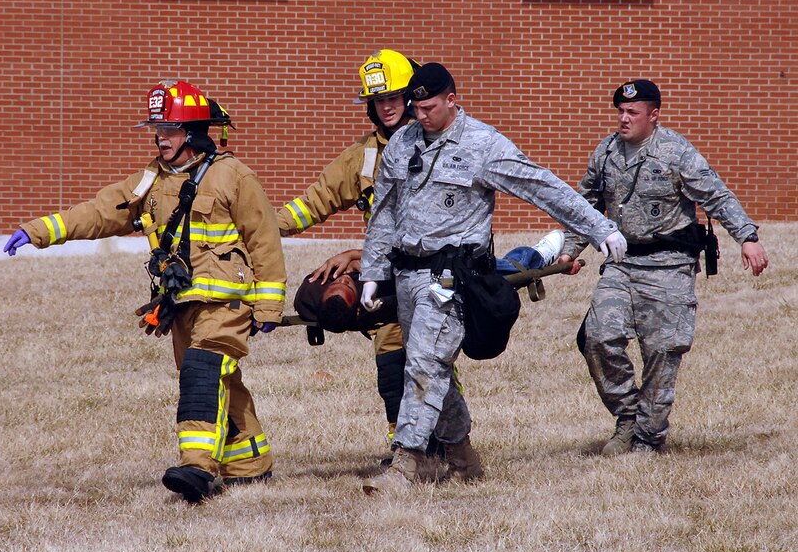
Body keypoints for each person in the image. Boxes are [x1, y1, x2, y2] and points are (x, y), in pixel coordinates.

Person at [3, 80, 286, 503]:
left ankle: (197, 469)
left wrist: (268, 304)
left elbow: (264, 240)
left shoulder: (234, 176)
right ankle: (250, 463)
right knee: (220, 381)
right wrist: (41, 230)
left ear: (191, 134)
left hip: (226, 304)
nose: (159, 136)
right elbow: (100, 212)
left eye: (168, 129)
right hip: (180, 305)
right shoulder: (150, 180)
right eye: (156, 128)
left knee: (202, 374)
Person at [358, 62, 626, 494]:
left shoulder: (483, 144)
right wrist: (372, 273)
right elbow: (384, 213)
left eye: (429, 107)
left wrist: (600, 228)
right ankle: (463, 458)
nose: (420, 115)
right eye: (416, 107)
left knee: (425, 361)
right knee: (427, 363)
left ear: (451, 100)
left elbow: (541, 186)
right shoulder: (402, 143)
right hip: (406, 276)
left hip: (451, 279)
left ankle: (406, 462)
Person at [559, 79, 769, 455]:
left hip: (669, 267)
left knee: (662, 352)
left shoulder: (675, 152)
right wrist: (570, 249)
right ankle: (627, 418)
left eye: (632, 113)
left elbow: (716, 196)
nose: (623, 119)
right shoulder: (606, 152)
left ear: (653, 116)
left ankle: (649, 438)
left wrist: (747, 237)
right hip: (621, 265)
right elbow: (585, 205)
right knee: (597, 337)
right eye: (620, 112)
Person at [276, 49, 423, 450]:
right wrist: (263, 227)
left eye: (394, 96)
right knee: (391, 366)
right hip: (388, 283)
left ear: (411, 96)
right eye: (379, 100)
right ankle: (404, 447)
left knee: (428, 363)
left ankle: (442, 440)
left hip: (429, 275)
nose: (387, 106)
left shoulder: (436, 144)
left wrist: (357, 257)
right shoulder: (362, 158)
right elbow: (315, 201)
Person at [295, 230, 566, 333]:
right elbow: (398, 265)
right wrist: (357, 259)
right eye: (348, 287)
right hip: (426, 271)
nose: (343, 278)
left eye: (337, 283)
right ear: (357, 308)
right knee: (494, 274)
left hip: (417, 248)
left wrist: (348, 258)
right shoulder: (379, 302)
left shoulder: (310, 293)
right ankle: (536, 257)